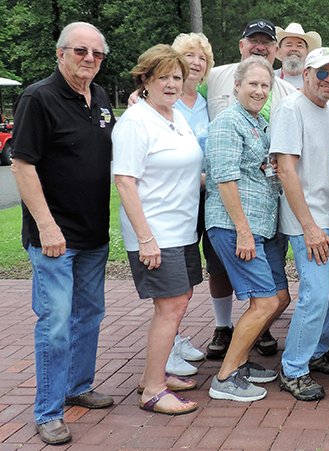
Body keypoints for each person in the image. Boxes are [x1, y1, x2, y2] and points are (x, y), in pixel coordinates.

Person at [12, 21, 115, 445]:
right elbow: (22, 165)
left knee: (89, 315)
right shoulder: (38, 98)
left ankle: (78, 386)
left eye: (97, 54)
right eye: (80, 51)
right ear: (60, 53)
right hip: (55, 238)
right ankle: (48, 410)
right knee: (55, 323)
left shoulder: (102, 98)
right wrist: (47, 225)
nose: (89, 59)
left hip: (94, 233)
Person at [113, 45, 203, 416]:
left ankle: (157, 371)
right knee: (170, 306)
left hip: (181, 229)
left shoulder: (175, 117)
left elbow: (185, 171)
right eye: (162, 76)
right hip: (155, 233)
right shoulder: (136, 122)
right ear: (145, 80)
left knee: (177, 303)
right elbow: (124, 182)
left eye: (177, 77)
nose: (171, 83)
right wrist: (146, 238)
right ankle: (152, 389)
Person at [203, 19, 296, 361]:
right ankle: (228, 375)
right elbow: (225, 179)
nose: (259, 91)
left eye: (264, 86)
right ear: (237, 85)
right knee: (267, 301)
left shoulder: (258, 121)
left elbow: (264, 160)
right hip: (236, 225)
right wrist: (242, 230)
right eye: (252, 85)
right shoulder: (228, 120)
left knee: (274, 299)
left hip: (262, 225)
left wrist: (268, 165)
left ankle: (239, 363)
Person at [270, 47, 329, 401]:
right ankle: (294, 369)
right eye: (322, 73)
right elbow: (286, 170)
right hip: (307, 221)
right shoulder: (290, 110)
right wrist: (309, 227)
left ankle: (314, 351)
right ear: (305, 74)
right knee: (316, 294)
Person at [162, 32, 215, 375]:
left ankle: (175, 338)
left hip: (205, 199)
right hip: (176, 201)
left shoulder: (206, 103)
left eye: (202, 57)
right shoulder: (163, 101)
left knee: (190, 273)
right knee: (174, 278)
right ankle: (166, 346)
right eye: (189, 56)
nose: (196, 62)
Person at [274, 23, 321, 89]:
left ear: (307, 52)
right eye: (289, 45)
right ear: (279, 51)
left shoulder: (315, 81)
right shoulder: (270, 78)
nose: (294, 49)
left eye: (299, 46)